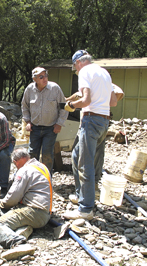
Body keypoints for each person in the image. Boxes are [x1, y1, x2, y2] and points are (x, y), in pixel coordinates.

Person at [63, 50, 117, 220]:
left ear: (78, 62)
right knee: (75, 155)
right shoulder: (104, 72)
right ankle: (82, 196)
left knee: (85, 164)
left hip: (91, 120)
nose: (76, 70)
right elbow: (113, 102)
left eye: (75, 67)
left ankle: (86, 209)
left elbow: (85, 101)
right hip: (104, 121)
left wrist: (71, 104)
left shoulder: (85, 72)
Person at [67, 83, 124, 204]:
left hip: (90, 125)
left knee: (79, 157)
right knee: (97, 154)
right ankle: (94, 187)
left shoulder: (96, 84)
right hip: (101, 123)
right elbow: (77, 96)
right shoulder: (101, 86)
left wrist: (69, 102)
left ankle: (82, 193)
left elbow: (119, 93)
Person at [0, 148, 52, 249]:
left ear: (15, 161)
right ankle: (24, 227)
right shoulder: (41, 166)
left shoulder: (24, 170)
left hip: (35, 213)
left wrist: (1, 203)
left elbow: (14, 196)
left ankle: (16, 242)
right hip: (46, 212)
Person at [21, 67, 68, 175]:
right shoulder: (29, 89)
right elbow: (24, 106)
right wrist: (28, 122)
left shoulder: (55, 88)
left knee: (47, 154)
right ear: (35, 79)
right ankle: (32, 177)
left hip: (50, 128)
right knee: (32, 154)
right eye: (41, 77)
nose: (44, 78)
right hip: (35, 127)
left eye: (46, 75)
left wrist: (59, 123)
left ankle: (47, 179)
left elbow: (63, 107)